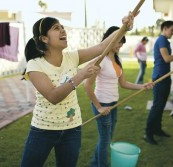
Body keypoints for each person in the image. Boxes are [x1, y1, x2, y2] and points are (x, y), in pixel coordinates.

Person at [20, 14, 135, 167]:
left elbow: (102, 47)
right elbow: (53, 97)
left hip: (72, 129)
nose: (62, 30)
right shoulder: (35, 65)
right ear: (44, 39)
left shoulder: (72, 57)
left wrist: (124, 28)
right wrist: (81, 75)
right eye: (56, 28)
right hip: (43, 129)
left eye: (62, 27)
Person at [84, 26, 153, 167]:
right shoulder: (100, 60)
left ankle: (94, 163)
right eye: (118, 41)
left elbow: (124, 83)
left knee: (106, 138)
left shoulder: (117, 60)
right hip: (102, 104)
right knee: (105, 140)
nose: (120, 45)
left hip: (114, 104)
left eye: (122, 42)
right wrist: (99, 107)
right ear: (110, 39)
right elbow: (87, 85)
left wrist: (142, 86)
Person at [144, 20, 173, 145]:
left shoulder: (165, 41)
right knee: (157, 106)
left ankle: (157, 129)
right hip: (159, 78)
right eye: (172, 30)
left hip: (165, 78)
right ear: (165, 28)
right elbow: (166, 58)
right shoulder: (162, 40)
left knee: (161, 106)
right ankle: (148, 133)